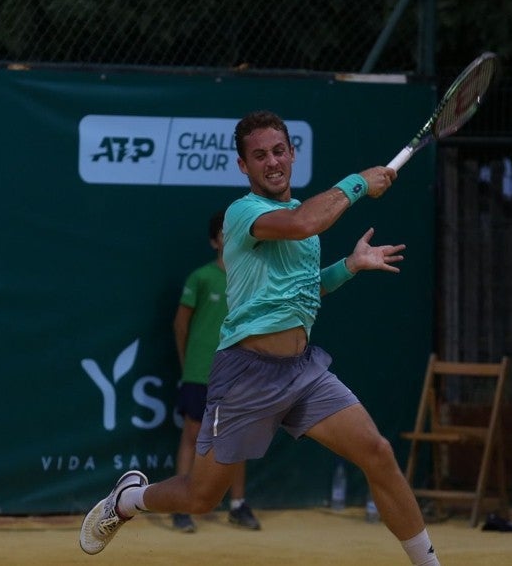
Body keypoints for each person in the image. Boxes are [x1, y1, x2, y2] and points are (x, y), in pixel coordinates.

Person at [81, 110, 441, 565]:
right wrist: (357, 183)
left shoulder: (303, 218)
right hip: (246, 375)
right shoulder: (244, 212)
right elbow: (304, 224)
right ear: (243, 166)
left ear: (292, 154)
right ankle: (127, 501)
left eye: (278, 151)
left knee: (378, 452)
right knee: (200, 497)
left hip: (303, 371)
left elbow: (305, 289)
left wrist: (350, 266)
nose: (271, 162)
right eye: (259, 155)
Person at [169, 209, 261, 533]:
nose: (229, 236)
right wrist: (189, 364)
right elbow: (181, 325)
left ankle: (237, 505)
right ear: (214, 241)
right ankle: (181, 506)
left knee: (235, 440)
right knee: (193, 435)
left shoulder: (251, 279)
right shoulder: (201, 278)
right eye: (223, 232)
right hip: (199, 372)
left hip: (238, 373)